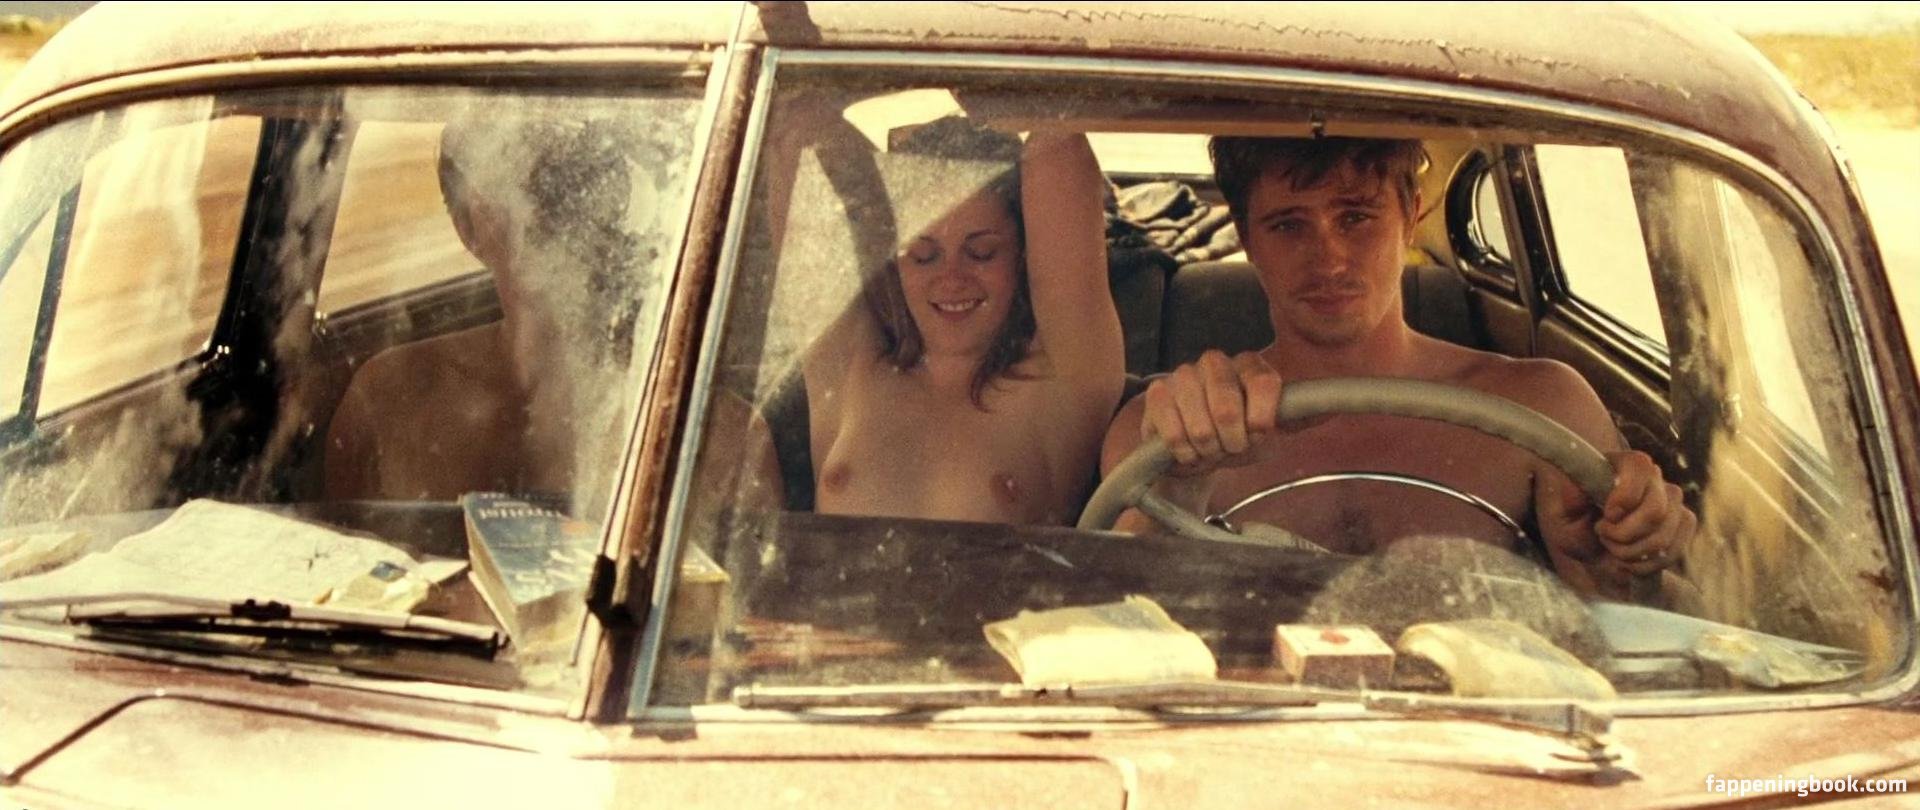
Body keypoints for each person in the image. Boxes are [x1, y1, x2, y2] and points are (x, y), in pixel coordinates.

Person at [1100, 135, 1696, 599]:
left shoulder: (1546, 406)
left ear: (1411, 213)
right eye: (1288, 225)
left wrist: (1619, 560)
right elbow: (1109, 630)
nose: (1329, 259)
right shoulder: (1169, 427)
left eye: (1356, 217)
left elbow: (1644, 634)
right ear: (1247, 237)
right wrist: (1180, 486)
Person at [325, 117, 778, 513]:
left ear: (614, 203)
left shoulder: (715, 435)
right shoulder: (386, 399)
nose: (544, 208)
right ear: (467, 229)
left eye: (568, 176)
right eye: (515, 180)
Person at [803, 119, 1124, 525]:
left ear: (1022, 257)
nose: (951, 279)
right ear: (894, 262)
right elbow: (798, 127)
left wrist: (985, 88)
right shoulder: (849, 365)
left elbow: (1057, 137)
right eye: (923, 256)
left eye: (981, 253)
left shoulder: (1062, 380)